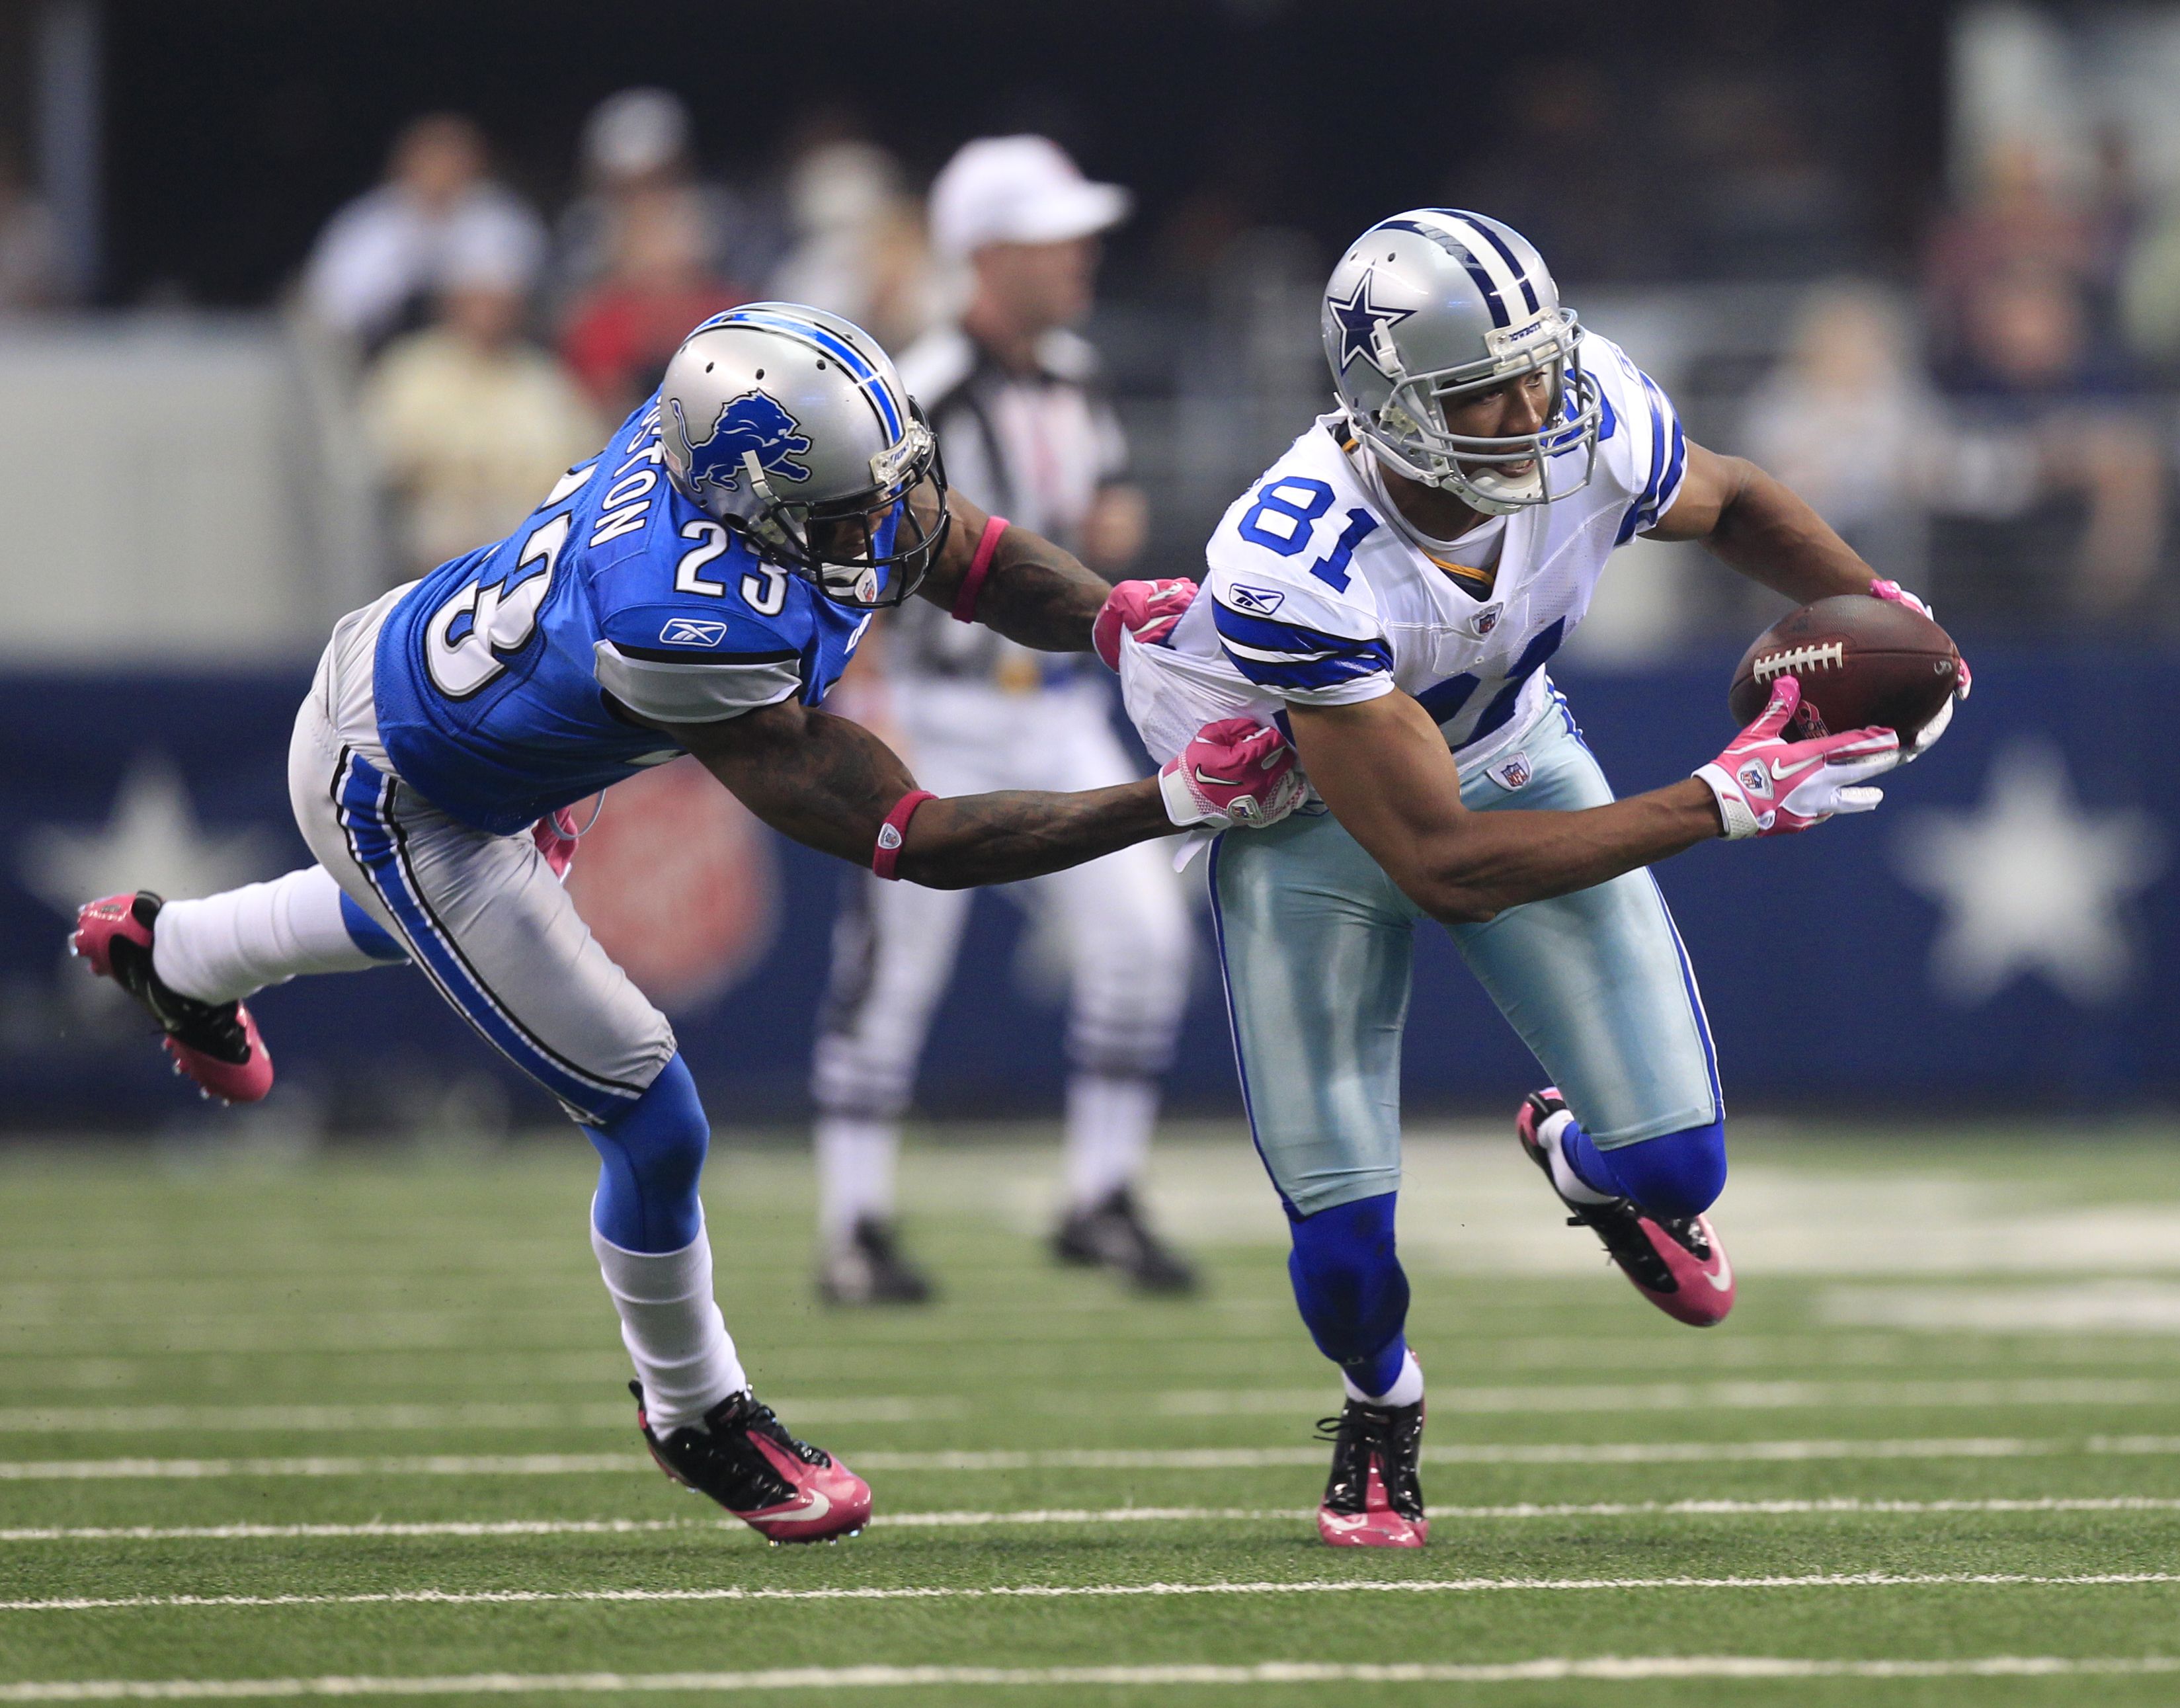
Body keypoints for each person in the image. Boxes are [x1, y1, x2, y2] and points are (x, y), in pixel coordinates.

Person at [70, 304, 1302, 1546]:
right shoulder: (679, 625)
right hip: (413, 791)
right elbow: (910, 834)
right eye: (845, 513)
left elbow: (961, 552)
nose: (884, 526)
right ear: (752, 507)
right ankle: (695, 1409)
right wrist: (1172, 800)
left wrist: (1111, 618)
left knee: (460, 937)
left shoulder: (729, 455)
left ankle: (176, 954)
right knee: (651, 1110)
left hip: (434, 673)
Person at [1112, 210, 1970, 1550]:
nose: (1530, 408)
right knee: (1343, 1263)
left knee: (1678, 1161)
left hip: (1511, 754)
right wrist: (1713, 802)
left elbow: (1733, 499)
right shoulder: (1293, 559)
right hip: (1307, 831)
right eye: (1482, 389)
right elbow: (1442, 866)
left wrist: (1888, 616)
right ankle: (1378, 1404)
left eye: (1536, 367)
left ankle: (1579, 1153)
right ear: (1383, 405)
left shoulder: (1592, 413)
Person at [806, 135, 1195, 1305]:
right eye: (1053, 234)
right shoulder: (917, 387)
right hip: (933, 702)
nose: (1080, 254)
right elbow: (841, 548)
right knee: (894, 968)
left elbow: (1107, 503)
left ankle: (1100, 1192)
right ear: (988, 251)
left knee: (1144, 936)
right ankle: (852, 1223)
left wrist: (1099, 536)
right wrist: (858, 693)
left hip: (1055, 702)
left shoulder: (1072, 375)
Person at [362, 236, 604, 580]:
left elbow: (586, 456)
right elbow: (388, 459)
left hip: (533, 540)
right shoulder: (411, 369)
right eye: (478, 300)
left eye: (501, 302)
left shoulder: (541, 375)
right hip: (436, 538)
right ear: (452, 303)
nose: (490, 313)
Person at [302, 114, 546, 352]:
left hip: (480, 350)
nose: (442, 169)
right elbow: (331, 307)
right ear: (406, 164)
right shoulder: (368, 223)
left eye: (453, 159)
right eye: (432, 159)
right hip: (377, 353)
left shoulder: (502, 218)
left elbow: (515, 300)